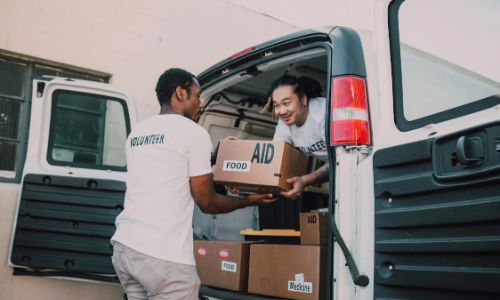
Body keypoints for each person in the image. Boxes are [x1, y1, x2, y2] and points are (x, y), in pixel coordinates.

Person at [110, 68, 275, 300]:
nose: (200, 103)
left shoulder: (138, 132)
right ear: (180, 93)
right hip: (162, 256)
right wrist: (247, 201)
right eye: (197, 96)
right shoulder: (193, 132)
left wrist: (214, 156)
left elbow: (170, 168)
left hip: (125, 248)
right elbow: (207, 202)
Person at [269, 75, 328, 200]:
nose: (282, 111)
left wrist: (305, 180)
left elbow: (342, 158)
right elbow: (274, 156)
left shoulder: (323, 114)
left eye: (286, 103)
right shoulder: (284, 123)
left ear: (303, 99)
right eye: (277, 105)